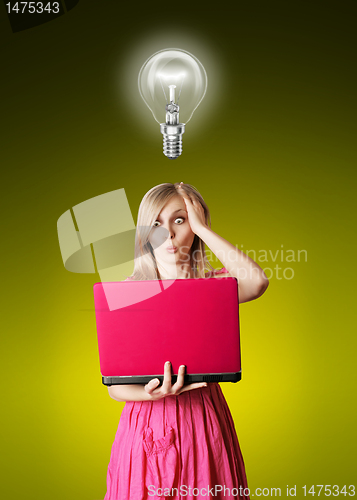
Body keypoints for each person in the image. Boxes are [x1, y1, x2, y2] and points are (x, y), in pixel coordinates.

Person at [103, 182, 269, 500]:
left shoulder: (214, 287)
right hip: (146, 423)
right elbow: (115, 387)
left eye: (179, 220)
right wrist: (152, 395)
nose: (168, 233)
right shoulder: (127, 294)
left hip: (203, 419)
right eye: (156, 224)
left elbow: (257, 282)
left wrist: (203, 229)